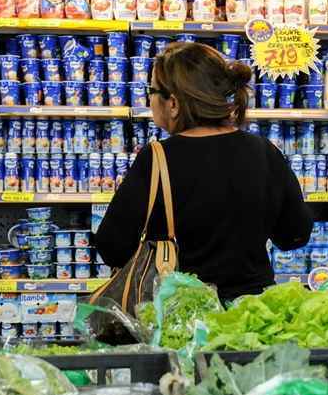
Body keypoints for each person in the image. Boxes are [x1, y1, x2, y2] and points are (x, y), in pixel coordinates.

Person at [95, 42, 313, 301]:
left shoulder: (157, 158)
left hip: (181, 317)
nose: (149, 99)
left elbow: (112, 247)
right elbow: (295, 235)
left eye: (151, 90)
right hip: (253, 315)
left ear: (173, 103)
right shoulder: (264, 151)